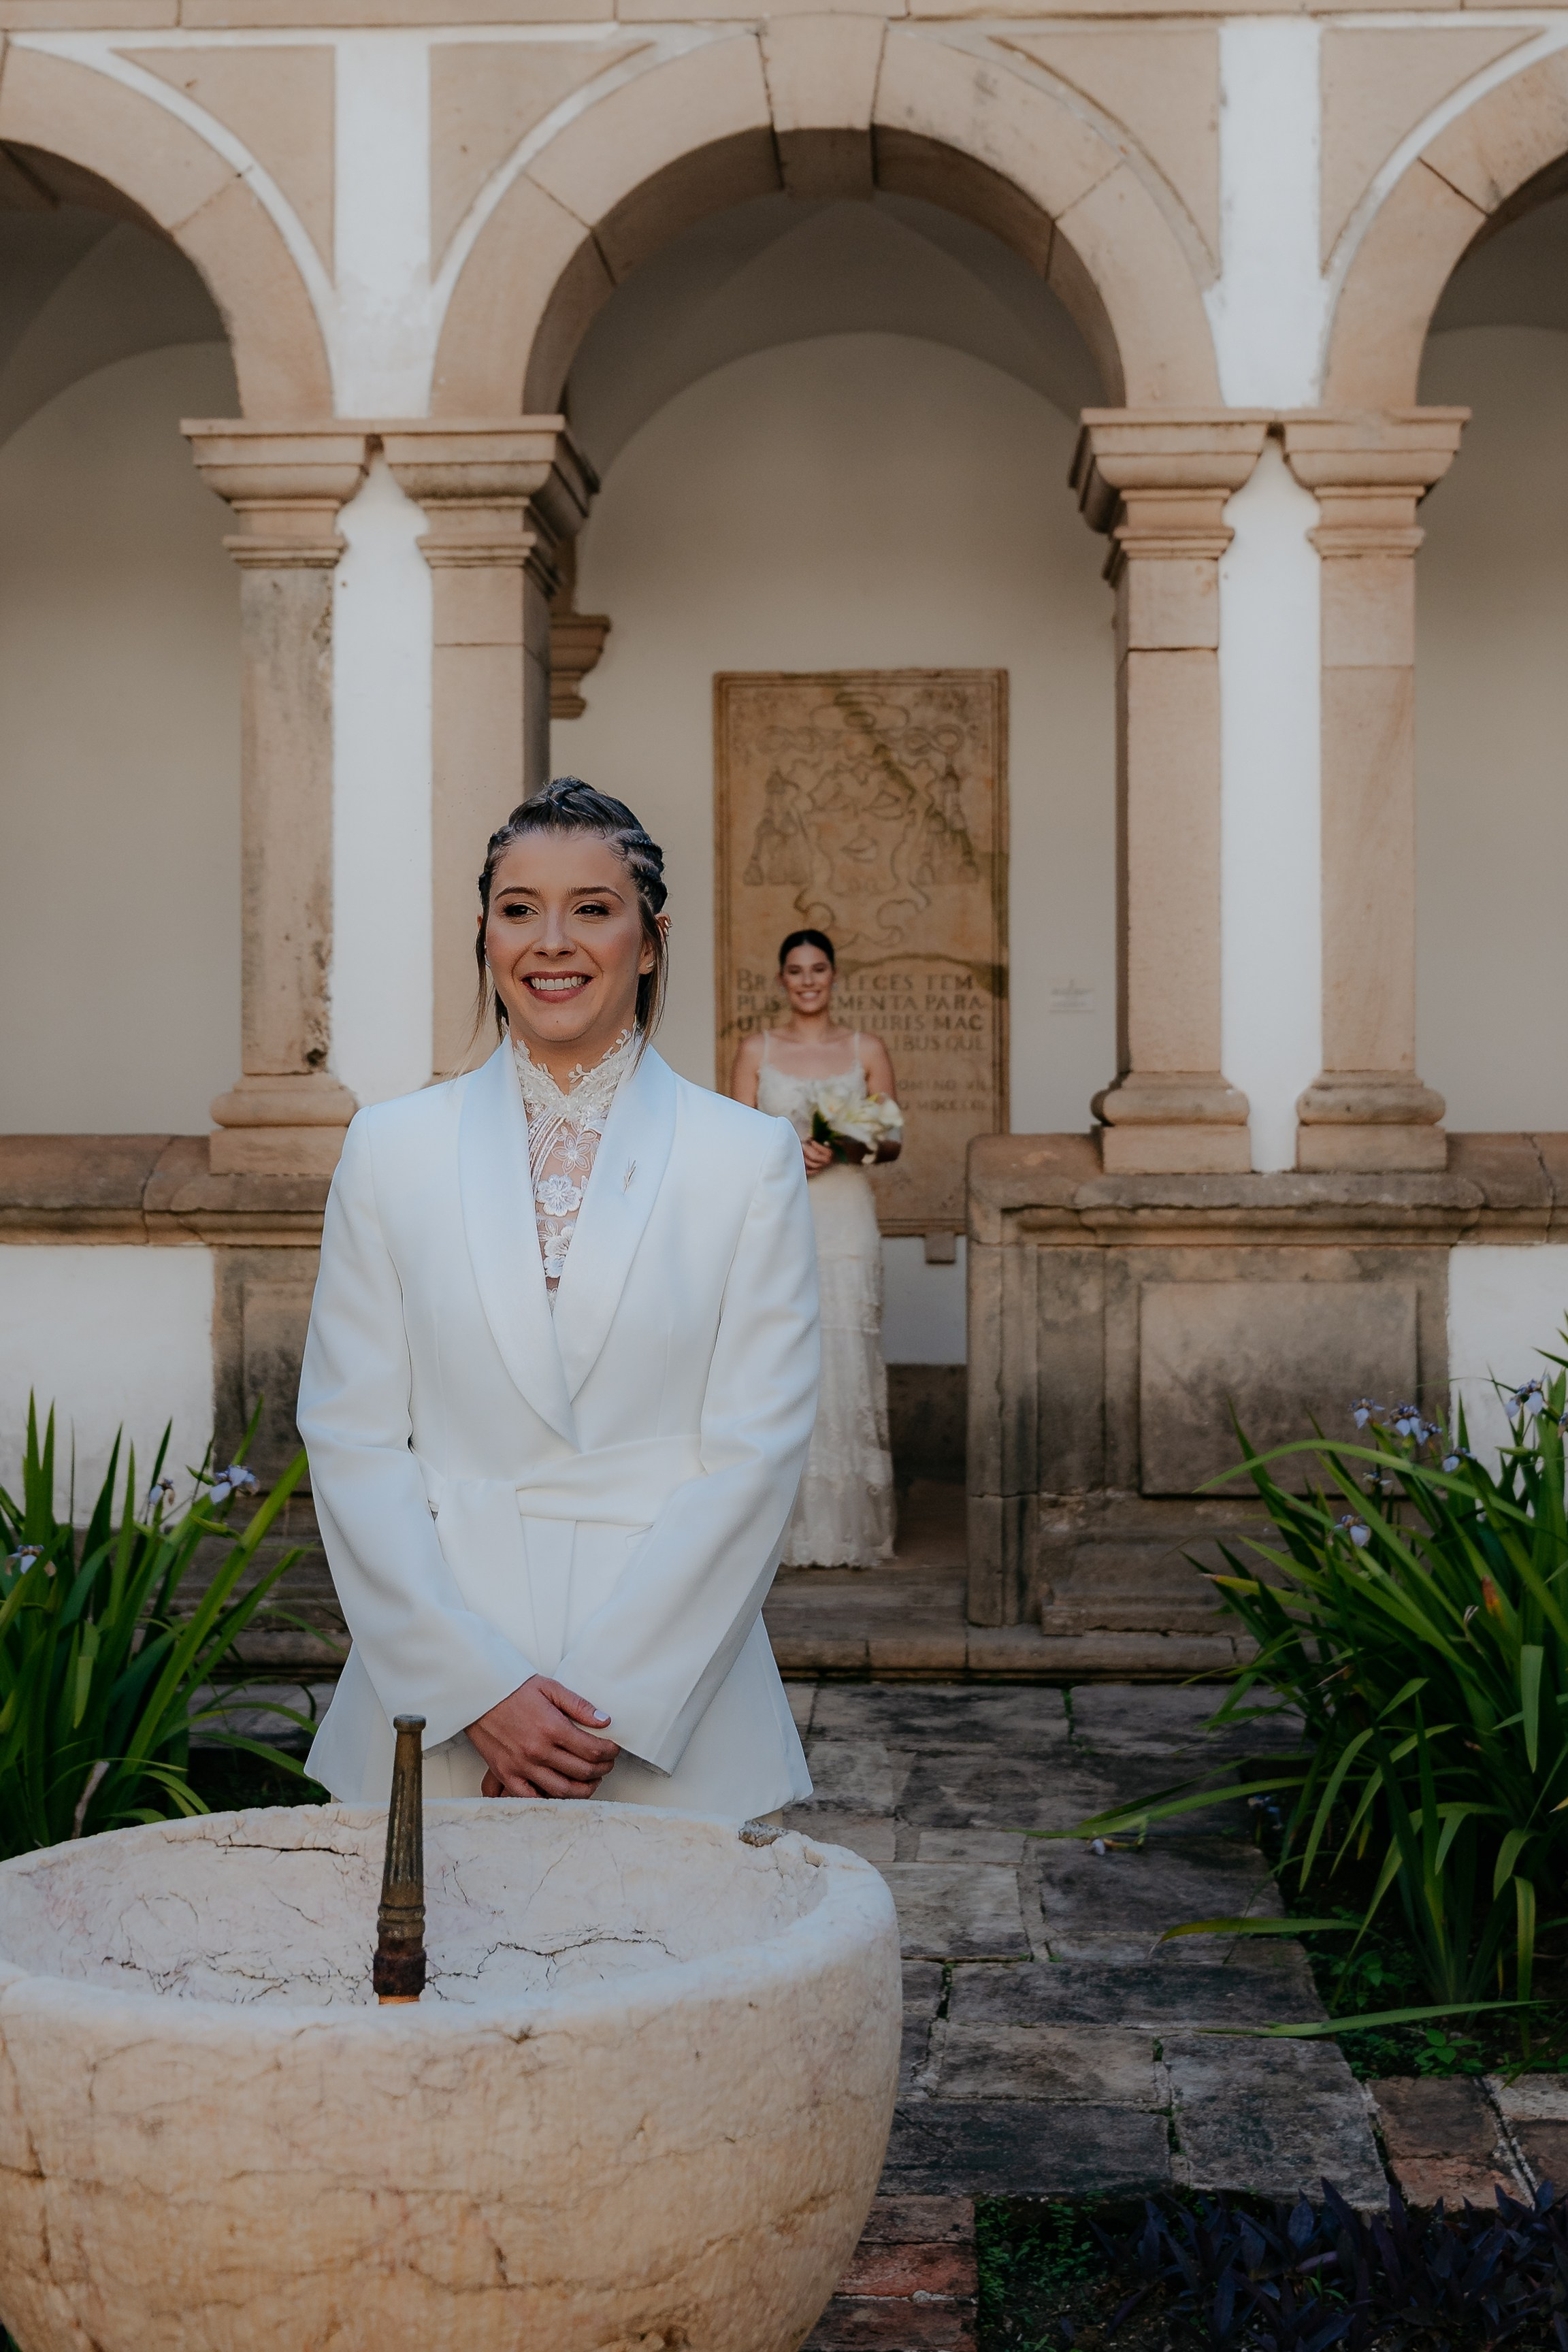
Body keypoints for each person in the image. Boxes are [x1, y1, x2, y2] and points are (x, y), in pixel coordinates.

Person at [297, 778, 819, 1820]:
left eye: (592, 907)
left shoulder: (747, 1159)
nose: (553, 942)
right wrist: (474, 1691)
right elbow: (352, 1438)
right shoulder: (391, 1150)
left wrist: (601, 1715)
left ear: (652, 938)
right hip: (439, 1691)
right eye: (518, 907)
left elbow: (755, 1457)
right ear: (486, 935)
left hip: (669, 1704)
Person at [730, 931, 898, 1568]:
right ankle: (783, 1530)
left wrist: (847, 1143)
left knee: (847, 1350)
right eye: (795, 971)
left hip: (846, 1214)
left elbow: (895, 1139)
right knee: (783, 1352)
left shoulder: (866, 1049)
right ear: (782, 980)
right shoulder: (756, 1050)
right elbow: (736, 1142)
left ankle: (849, 1527)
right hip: (782, 1217)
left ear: (834, 976)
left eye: (818, 969)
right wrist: (784, 1150)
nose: (807, 980)